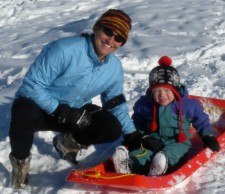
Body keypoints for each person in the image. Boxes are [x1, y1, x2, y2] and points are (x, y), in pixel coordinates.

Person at [8, 9, 151, 189]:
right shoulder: (64, 49)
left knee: (111, 127)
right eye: (108, 31)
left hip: (72, 114)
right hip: (38, 109)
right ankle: (20, 165)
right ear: (97, 28)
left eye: (118, 38)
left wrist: (131, 134)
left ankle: (66, 143)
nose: (110, 40)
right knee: (22, 111)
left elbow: (115, 102)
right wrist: (58, 109)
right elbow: (31, 85)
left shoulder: (114, 67)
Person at [112, 56, 220, 176]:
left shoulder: (188, 105)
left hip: (177, 141)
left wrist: (208, 137)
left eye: (167, 91)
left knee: (171, 153)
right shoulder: (146, 104)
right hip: (152, 140)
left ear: (175, 90)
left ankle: (160, 166)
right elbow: (137, 122)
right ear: (151, 91)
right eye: (157, 91)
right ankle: (128, 165)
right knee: (142, 153)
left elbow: (201, 121)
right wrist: (143, 137)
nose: (162, 95)